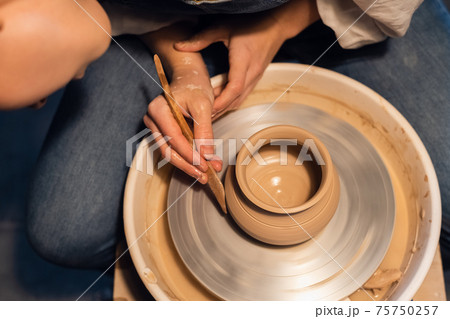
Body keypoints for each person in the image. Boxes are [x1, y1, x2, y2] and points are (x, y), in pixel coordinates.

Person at [1, 0, 448, 271]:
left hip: (335, 9)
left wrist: (278, 25)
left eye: (36, 96)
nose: (43, 103)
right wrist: (186, 68)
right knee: (65, 232)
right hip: (163, 22)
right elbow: (119, 11)